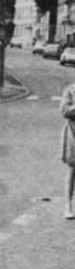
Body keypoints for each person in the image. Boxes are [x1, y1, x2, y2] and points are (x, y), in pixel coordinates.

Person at [58, 83, 75, 219]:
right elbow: (64, 111)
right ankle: (68, 205)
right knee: (72, 169)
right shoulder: (70, 90)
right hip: (73, 134)